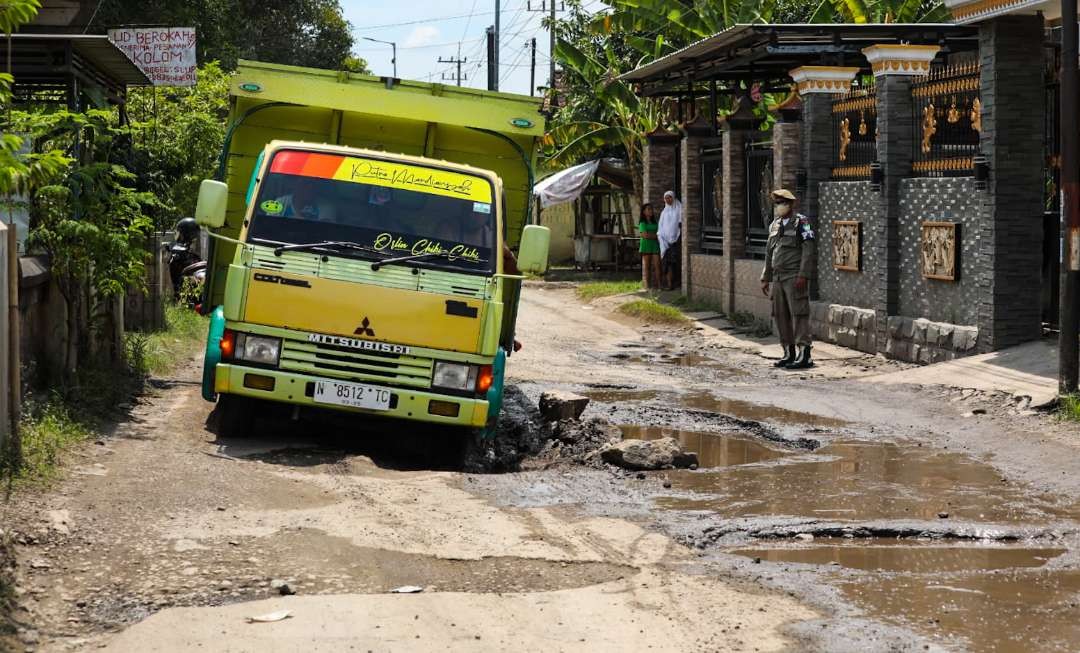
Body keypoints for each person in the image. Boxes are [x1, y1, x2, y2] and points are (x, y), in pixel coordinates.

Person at [760, 188, 817, 369]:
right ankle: (788, 351)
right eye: (777, 203)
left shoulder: (802, 222)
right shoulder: (774, 225)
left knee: (799, 313)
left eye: (782, 202)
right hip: (777, 277)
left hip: (794, 276)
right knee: (780, 314)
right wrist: (765, 277)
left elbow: (808, 250)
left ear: (791, 204)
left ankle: (804, 353)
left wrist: (803, 275)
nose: (779, 206)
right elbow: (769, 253)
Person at [657, 190, 682, 290]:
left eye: (670, 197)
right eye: (666, 198)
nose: (668, 199)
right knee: (667, 264)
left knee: (673, 263)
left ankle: (675, 283)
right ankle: (669, 284)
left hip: (676, 241)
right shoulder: (664, 212)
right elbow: (660, 226)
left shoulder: (679, 209)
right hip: (665, 242)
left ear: (674, 197)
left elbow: (680, 223)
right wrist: (662, 238)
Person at [638, 203, 661, 289]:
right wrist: (656, 236)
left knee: (657, 265)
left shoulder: (655, 222)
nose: (651, 211)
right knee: (647, 267)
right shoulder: (642, 223)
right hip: (646, 245)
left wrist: (654, 235)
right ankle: (648, 286)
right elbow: (644, 235)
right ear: (644, 212)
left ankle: (659, 286)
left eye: (651, 209)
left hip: (655, 245)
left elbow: (659, 232)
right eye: (648, 209)